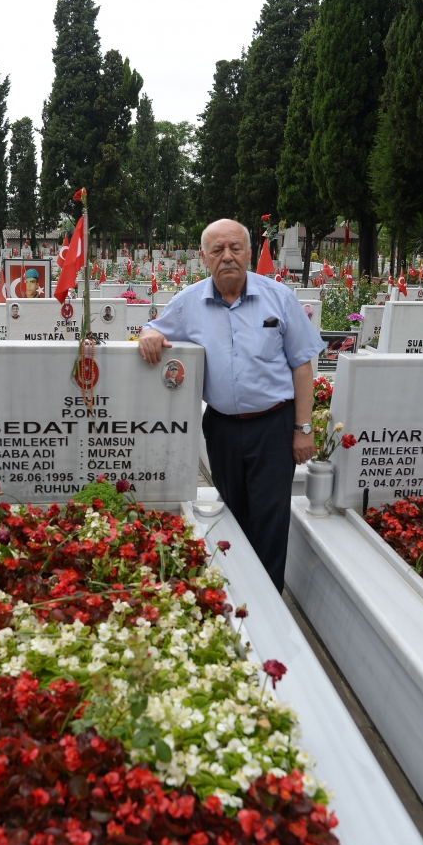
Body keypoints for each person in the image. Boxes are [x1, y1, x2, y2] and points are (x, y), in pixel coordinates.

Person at [139, 219, 323, 592]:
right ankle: (237, 589)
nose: (227, 257)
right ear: (204, 258)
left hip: (274, 426)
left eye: (235, 248)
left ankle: (268, 599)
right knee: (234, 513)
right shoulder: (188, 303)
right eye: (217, 250)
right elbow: (152, 328)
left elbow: (302, 365)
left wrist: (303, 429)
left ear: (249, 253)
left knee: (270, 518)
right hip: (222, 428)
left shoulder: (279, 298)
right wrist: (152, 333)